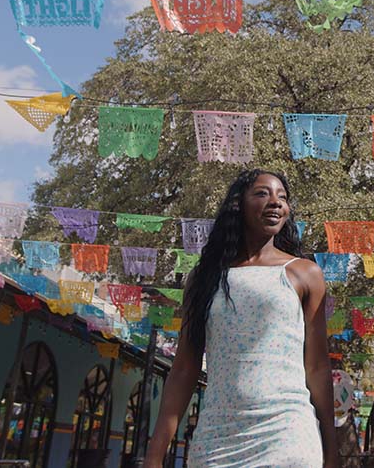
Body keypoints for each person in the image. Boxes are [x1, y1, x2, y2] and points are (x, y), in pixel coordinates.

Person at [143, 169, 339, 468]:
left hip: (287, 432)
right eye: (263, 193)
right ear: (239, 205)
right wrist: (155, 454)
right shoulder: (204, 278)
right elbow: (184, 368)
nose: (276, 202)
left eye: (282, 197)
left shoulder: (304, 273)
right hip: (217, 437)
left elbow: (317, 366)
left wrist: (331, 448)